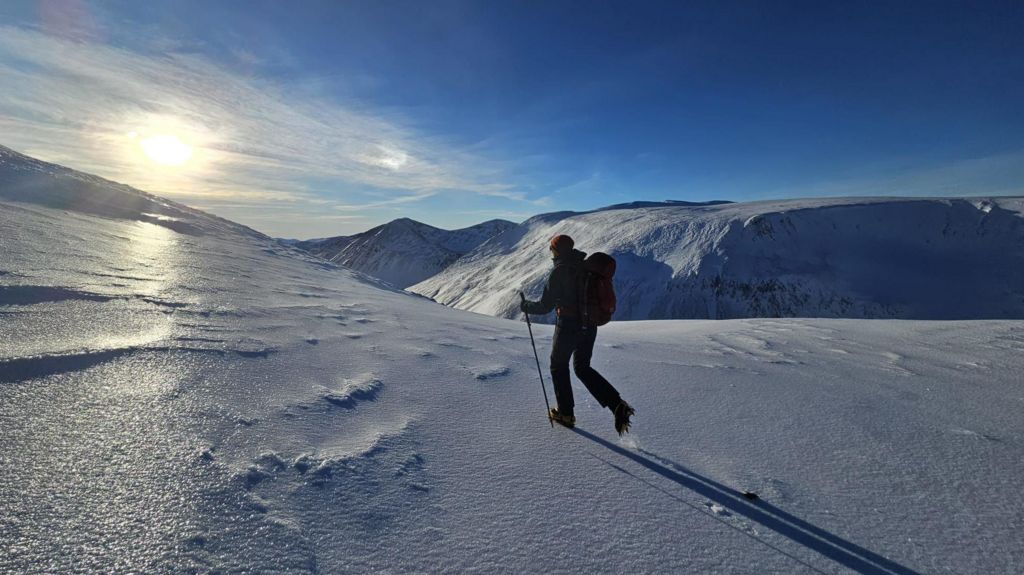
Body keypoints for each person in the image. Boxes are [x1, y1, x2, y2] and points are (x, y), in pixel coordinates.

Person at [521, 234, 634, 435]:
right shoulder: (584, 267)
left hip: (568, 326)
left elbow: (545, 306)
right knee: (582, 367)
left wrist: (525, 306)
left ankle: (565, 414)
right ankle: (616, 404)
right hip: (589, 326)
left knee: (558, 365)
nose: (551, 252)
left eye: (552, 248)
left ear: (557, 250)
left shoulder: (560, 271)